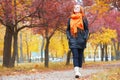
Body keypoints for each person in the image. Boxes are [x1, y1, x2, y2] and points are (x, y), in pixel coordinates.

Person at [66, 4, 89, 78]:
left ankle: (79, 69)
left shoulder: (83, 18)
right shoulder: (70, 19)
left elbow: (86, 29)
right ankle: (76, 71)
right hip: (73, 38)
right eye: (75, 7)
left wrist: (85, 37)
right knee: (75, 55)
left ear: (80, 9)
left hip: (81, 39)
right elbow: (67, 30)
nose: (76, 8)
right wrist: (69, 37)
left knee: (80, 55)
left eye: (77, 7)